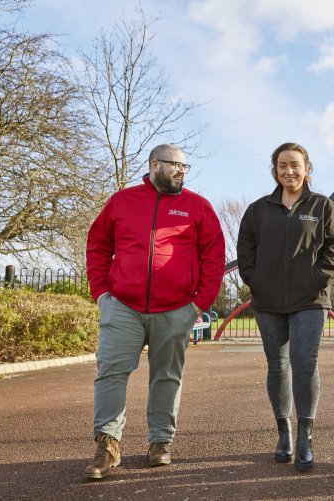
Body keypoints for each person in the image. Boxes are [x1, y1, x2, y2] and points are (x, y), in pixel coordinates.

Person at [84, 144, 226, 480]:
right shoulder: (121, 201)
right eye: (175, 165)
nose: (181, 171)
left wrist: (198, 304)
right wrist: (102, 293)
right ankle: (107, 445)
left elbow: (214, 257)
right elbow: (98, 245)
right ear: (154, 165)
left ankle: (160, 442)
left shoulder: (197, 207)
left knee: (167, 376)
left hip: (176, 308)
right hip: (123, 306)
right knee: (111, 372)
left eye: (184, 166)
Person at [236, 142, 334, 471]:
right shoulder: (258, 210)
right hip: (268, 301)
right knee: (278, 365)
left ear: (307, 169)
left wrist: (317, 280)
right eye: (283, 165)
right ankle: (284, 432)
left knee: (304, 363)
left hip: (310, 301)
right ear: (275, 170)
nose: (289, 171)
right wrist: (255, 280)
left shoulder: (322, 206)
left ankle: (305, 438)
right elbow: (246, 250)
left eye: (295, 165)